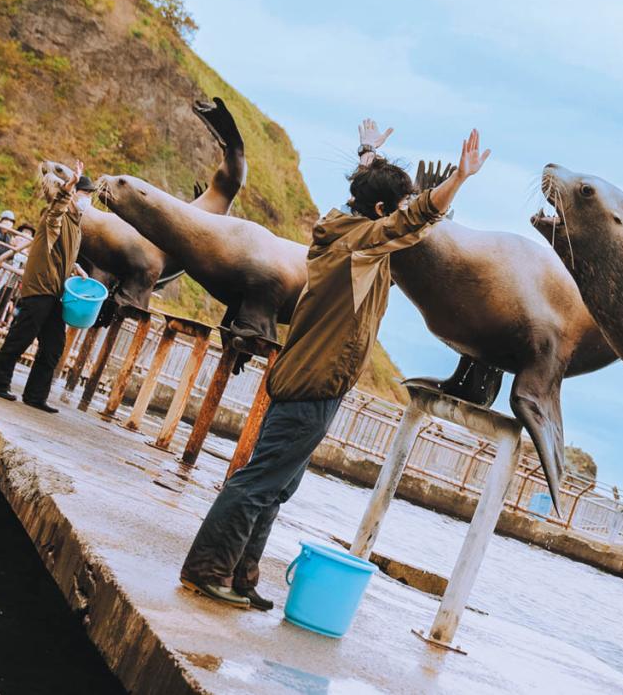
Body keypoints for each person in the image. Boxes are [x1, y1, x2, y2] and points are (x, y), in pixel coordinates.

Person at [179, 122, 490, 610]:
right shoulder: (360, 245)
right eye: (397, 207)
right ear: (383, 213)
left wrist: (369, 154)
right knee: (260, 483)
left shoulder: (343, 225)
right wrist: (460, 180)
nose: (406, 214)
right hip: (314, 381)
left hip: (313, 381)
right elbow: (412, 219)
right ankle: (208, 570)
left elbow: (377, 204)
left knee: (278, 486)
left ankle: (240, 575)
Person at [0, 162, 91, 413]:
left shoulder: (76, 224)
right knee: (21, 337)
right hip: (40, 287)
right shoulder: (55, 215)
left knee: (54, 346)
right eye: (85, 194)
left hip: (56, 291)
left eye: (89, 195)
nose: (88, 200)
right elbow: (56, 212)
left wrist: (76, 267)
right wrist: (69, 188)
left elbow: (60, 252)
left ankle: (35, 395)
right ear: (74, 195)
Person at [0, 221, 34, 326]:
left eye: (29, 233)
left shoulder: (29, 251)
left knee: (5, 299)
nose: (26, 235)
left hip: (13, 279)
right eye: (25, 232)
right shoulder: (13, 242)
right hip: (4, 274)